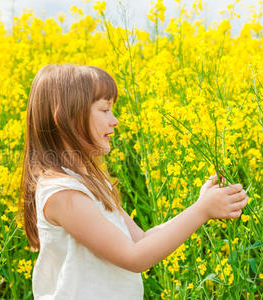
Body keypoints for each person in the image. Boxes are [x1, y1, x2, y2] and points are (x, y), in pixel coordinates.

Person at [19, 64, 248, 299]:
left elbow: (143, 239)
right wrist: (201, 211)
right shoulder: (63, 194)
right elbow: (135, 256)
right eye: (104, 110)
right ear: (66, 118)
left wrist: (201, 205)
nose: (115, 120)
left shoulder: (91, 185)